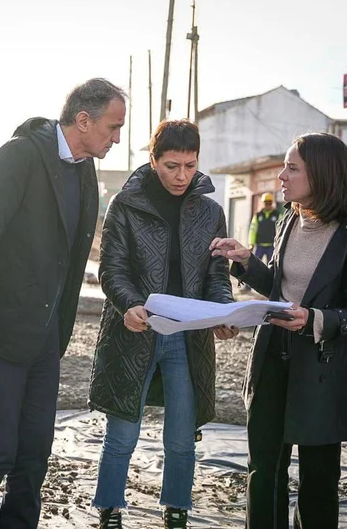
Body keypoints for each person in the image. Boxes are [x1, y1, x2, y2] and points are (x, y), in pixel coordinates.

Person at [0, 78, 126, 529]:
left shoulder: (84, 169)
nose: (117, 138)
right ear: (83, 120)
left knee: (34, 456)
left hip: (46, 338)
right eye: (112, 127)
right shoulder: (19, 157)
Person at [210, 133, 347, 529]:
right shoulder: (291, 217)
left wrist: (314, 319)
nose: (281, 176)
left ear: (322, 175)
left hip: (322, 370)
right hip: (273, 354)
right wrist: (245, 262)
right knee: (264, 470)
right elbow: (281, 286)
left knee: (319, 480)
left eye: (292, 168)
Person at [88, 120, 237, 529]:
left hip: (188, 337)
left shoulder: (210, 211)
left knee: (181, 437)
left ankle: (177, 510)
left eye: (190, 165)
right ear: (153, 160)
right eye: (172, 165)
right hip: (133, 332)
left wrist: (223, 313)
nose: (182, 175)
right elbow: (112, 268)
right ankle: (110, 509)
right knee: (122, 432)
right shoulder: (125, 204)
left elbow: (216, 275)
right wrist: (129, 305)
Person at [248, 192, 280, 263]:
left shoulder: (277, 215)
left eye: (269, 203)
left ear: (272, 203)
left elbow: (281, 231)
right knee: (255, 264)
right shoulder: (258, 215)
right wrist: (251, 244)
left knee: (272, 266)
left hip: (272, 246)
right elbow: (253, 230)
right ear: (263, 203)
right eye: (266, 203)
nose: (268, 205)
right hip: (259, 246)